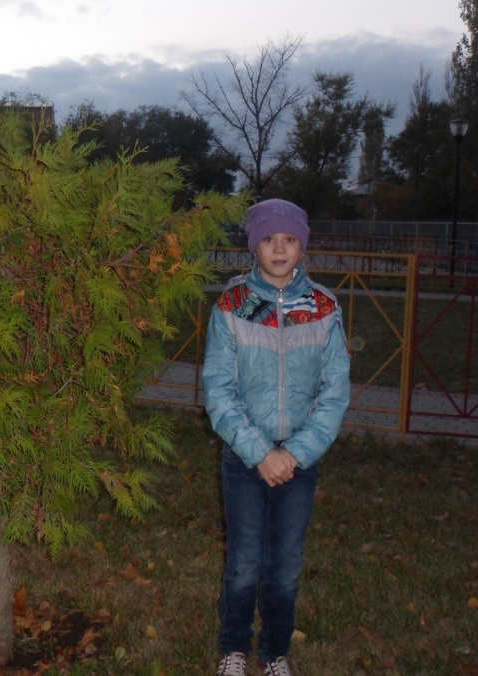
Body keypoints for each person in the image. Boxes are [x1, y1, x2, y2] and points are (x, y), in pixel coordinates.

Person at [202, 199, 350, 676]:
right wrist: (260, 452)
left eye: (289, 239)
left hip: (298, 462)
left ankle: (275, 653)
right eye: (269, 239)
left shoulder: (324, 308)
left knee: (285, 564)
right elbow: (218, 390)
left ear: (302, 245)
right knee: (244, 561)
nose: (280, 248)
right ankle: (234, 649)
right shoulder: (232, 306)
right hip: (245, 458)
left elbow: (335, 394)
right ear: (255, 246)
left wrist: (296, 453)